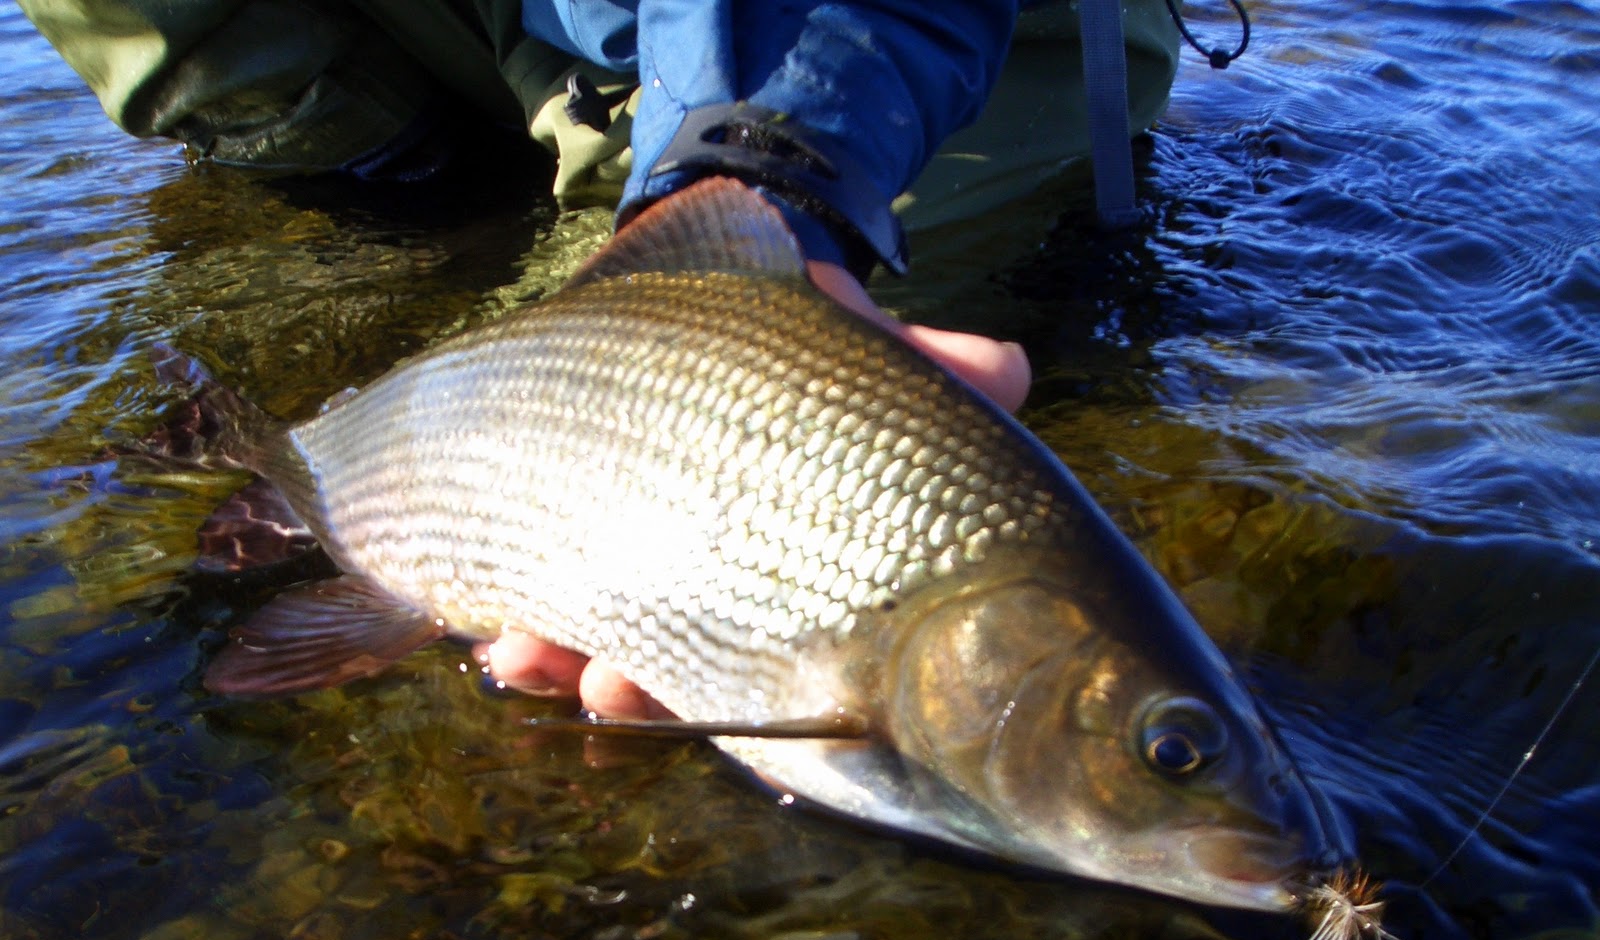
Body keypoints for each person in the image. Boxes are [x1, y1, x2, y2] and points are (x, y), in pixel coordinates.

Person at [21, 0, 1180, 716]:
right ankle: (420, 171)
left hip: (902, 36)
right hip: (529, 23)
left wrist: (762, 171)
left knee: (820, 317)